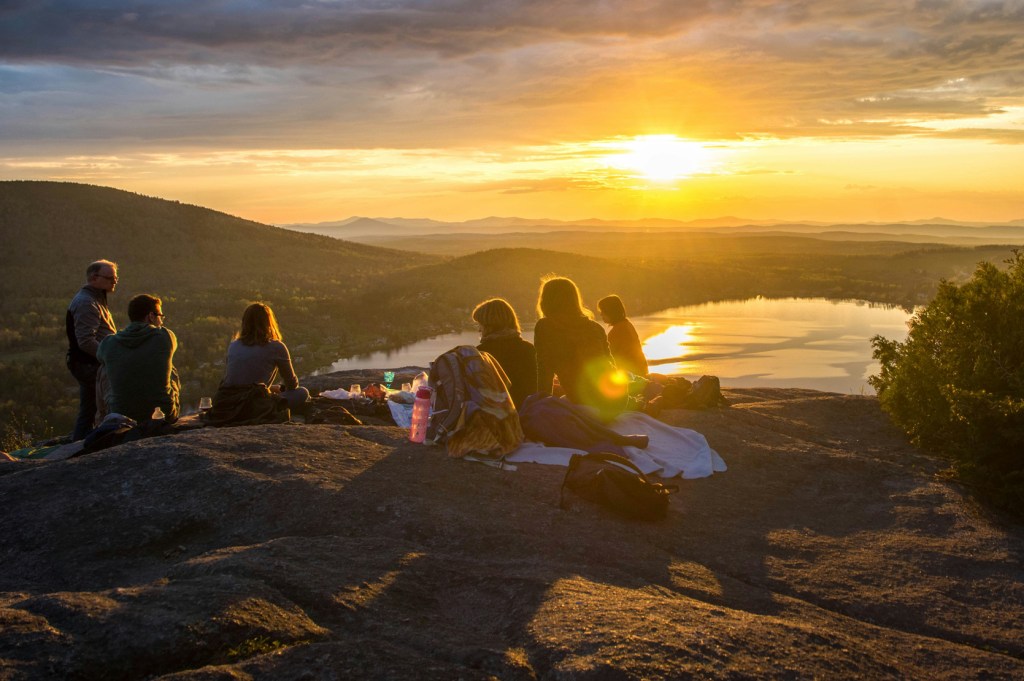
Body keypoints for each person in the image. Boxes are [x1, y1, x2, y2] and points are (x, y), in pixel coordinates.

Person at [534, 276, 627, 420]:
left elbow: (545, 371)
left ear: (545, 301)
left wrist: (542, 407)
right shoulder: (595, 327)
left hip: (588, 404)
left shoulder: (545, 327)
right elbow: (611, 364)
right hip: (618, 401)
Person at [97, 294, 180, 423]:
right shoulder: (166, 337)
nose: (162, 321)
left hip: (122, 415)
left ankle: (103, 420)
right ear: (151, 317)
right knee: (170, 367)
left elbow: (99, 357)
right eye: (160, 316)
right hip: (163, 415)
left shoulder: (108, 343)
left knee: (103, 369)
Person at [221, 302, 310, 412]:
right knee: (302, 393)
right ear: (269, 322)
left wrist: (271, 388)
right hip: (255, 406)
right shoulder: (276, 347)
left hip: (228, 404)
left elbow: (239, 381)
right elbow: (291, 385)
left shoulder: (233, 345)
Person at [66, 259, 118, 440]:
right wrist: (109, 357)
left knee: (89, 408)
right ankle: (87, 445)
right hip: (90, 364)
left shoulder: (95, 299)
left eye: (116, 277)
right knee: (99, 407)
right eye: (110, 277)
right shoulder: (86, 303)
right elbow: (86, 341)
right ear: (94, 278)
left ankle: (81, 442)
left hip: (89, 363)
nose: (115, 281)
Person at [472, 298, 537, 409]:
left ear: (489, 325)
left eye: (480, 325)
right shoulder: (529, 349)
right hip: (529, 414)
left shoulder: (481, 354)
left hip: (497, 418)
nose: (479, 330)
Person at [597, 294, 649, 377]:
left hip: (631, 375)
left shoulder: (618, 331)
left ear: (610, 311)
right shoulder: (626, 324)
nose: (601, 314)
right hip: (640, 371)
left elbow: (608, 356)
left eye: (603, 311)